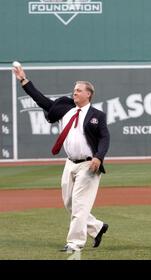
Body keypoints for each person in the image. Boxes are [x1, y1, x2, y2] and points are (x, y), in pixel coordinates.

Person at [13, 64, 110, 253]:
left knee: (80, 204)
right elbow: (41, 100)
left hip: (89, 165)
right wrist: (24, 81)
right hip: (70, 163)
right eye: (74, 90)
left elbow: (105, 138)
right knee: (69, 203)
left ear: (88, 94)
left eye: (79, 90)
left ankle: (74, 243)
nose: (74, 93)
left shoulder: (97, 116)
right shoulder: (65, 109)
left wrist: (99, 157)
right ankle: (97, 227)